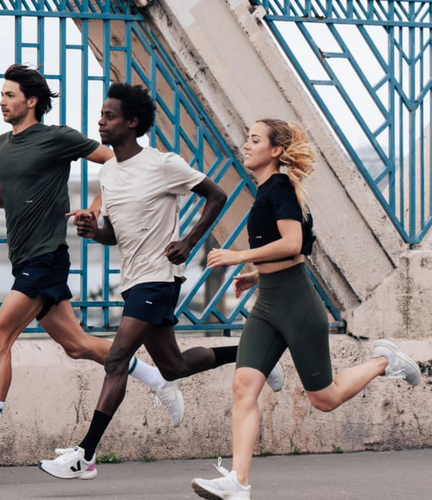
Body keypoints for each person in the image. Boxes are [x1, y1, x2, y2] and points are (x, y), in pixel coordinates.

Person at [0, 65, 186, 470]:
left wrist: (96, 206)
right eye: (1, 95)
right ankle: (158, 379)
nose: (2, 101)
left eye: (9, 95)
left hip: (46, 255)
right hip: (25, 257)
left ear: (31, 101)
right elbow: (12, 196)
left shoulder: (58, 138)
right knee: (78, 345)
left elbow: (119, 161)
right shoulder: (3, 143)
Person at [37, 83, 285, 480]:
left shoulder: (162, 164)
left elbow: (216, 195)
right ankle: (255, 352)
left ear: (132, 123)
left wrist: (188, 240)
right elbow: (113, 234)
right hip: (135, 281)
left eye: (109, 116)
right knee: (173, 366)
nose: (101, 122)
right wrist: (91, 229)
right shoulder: (111, 172)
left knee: (117, 359)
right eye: (101, 116)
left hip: (158, 278)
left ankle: (84, 455)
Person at [191, 118, 422, 500]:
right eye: (246, 139)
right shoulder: (269, 189)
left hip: (297, 303)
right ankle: (238, 482)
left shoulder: (279, 187)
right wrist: (254, 273)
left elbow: (292, 242)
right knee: (244, 385)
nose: (245, 145)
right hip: (268, 301)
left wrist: (239, 256)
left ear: (276, 151)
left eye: (254, 140)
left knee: (325, 398)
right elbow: (297, 249)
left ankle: (384, 361)